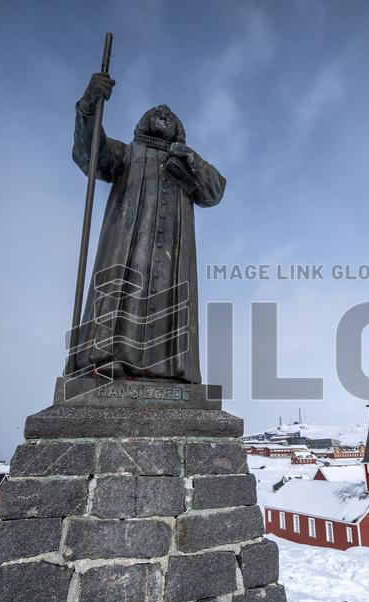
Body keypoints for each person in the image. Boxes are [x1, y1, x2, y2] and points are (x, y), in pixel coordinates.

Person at [65, 72, 226, 384]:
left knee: (171, 302)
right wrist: (88, 105)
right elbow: (89, 154)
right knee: (123, 291)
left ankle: (172, 371)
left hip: (173, 258)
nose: (162, 112)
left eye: (169, 115)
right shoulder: (127, 153)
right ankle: (107, 360)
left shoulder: (186, 161)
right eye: (155, 112)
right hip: (128, 242)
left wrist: (190, 157)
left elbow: (215, 191)